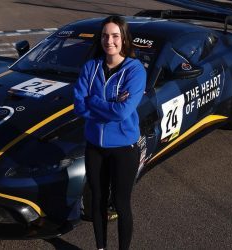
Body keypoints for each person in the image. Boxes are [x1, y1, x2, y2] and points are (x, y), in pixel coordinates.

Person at [73, 15, 146, 250]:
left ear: (124, 39)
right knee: (97, 202)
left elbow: (122, 113)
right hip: (95, 146)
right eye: (105, 35)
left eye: (115, 35)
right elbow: (78, 105)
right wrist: (108, 104)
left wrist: (93, 100)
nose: (109, 40)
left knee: (121, 204)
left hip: (124, 148)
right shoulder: (90, 67)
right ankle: (101, 248)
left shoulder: (135, 71)